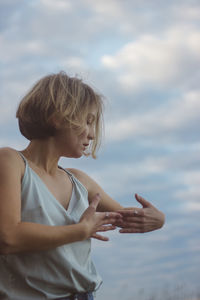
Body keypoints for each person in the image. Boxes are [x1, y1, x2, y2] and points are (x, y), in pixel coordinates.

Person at [0, 71, 165, 300]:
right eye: (88, 121)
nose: (92, 134)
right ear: (57, 117)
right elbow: (8, 237)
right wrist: (80, 231)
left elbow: (125, 215)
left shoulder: (80, 180)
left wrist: (156, 219)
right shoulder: (11, 162)